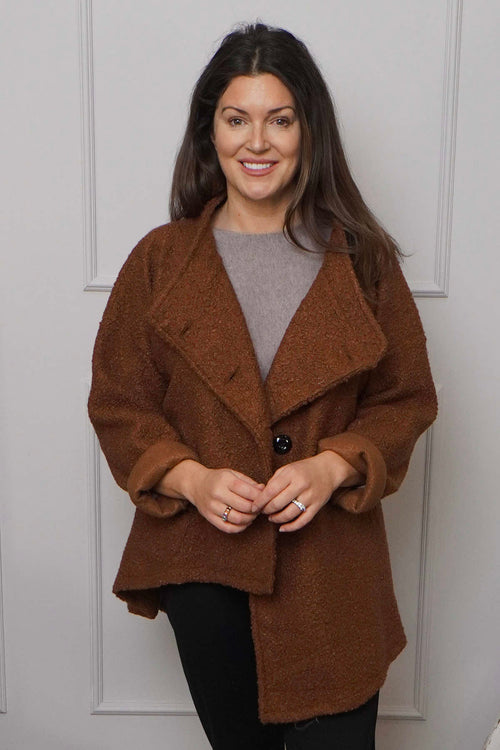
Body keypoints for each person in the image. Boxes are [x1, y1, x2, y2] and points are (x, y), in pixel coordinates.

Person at [88, 22, 438, 750]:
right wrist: (190, 479)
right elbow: (120, 401)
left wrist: (333, 464)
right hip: (205, 567)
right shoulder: (159, 261)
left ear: (309, 131)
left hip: (333, 573)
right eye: (236, 118)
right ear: (209, 130)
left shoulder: (363, 260)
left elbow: (406, 397)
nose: (257, 142)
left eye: (280, 120)